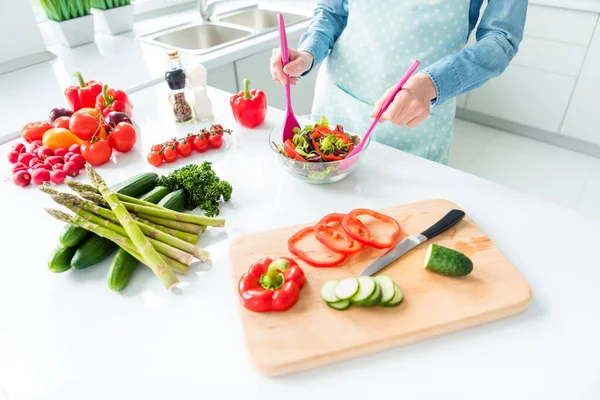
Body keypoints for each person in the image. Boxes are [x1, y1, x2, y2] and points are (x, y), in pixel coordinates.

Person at [270, 0, 528, 164]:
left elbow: (501, 39)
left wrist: (431, 84)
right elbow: (333, 12)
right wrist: (307, 54)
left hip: (416, 119)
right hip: (339, 97)